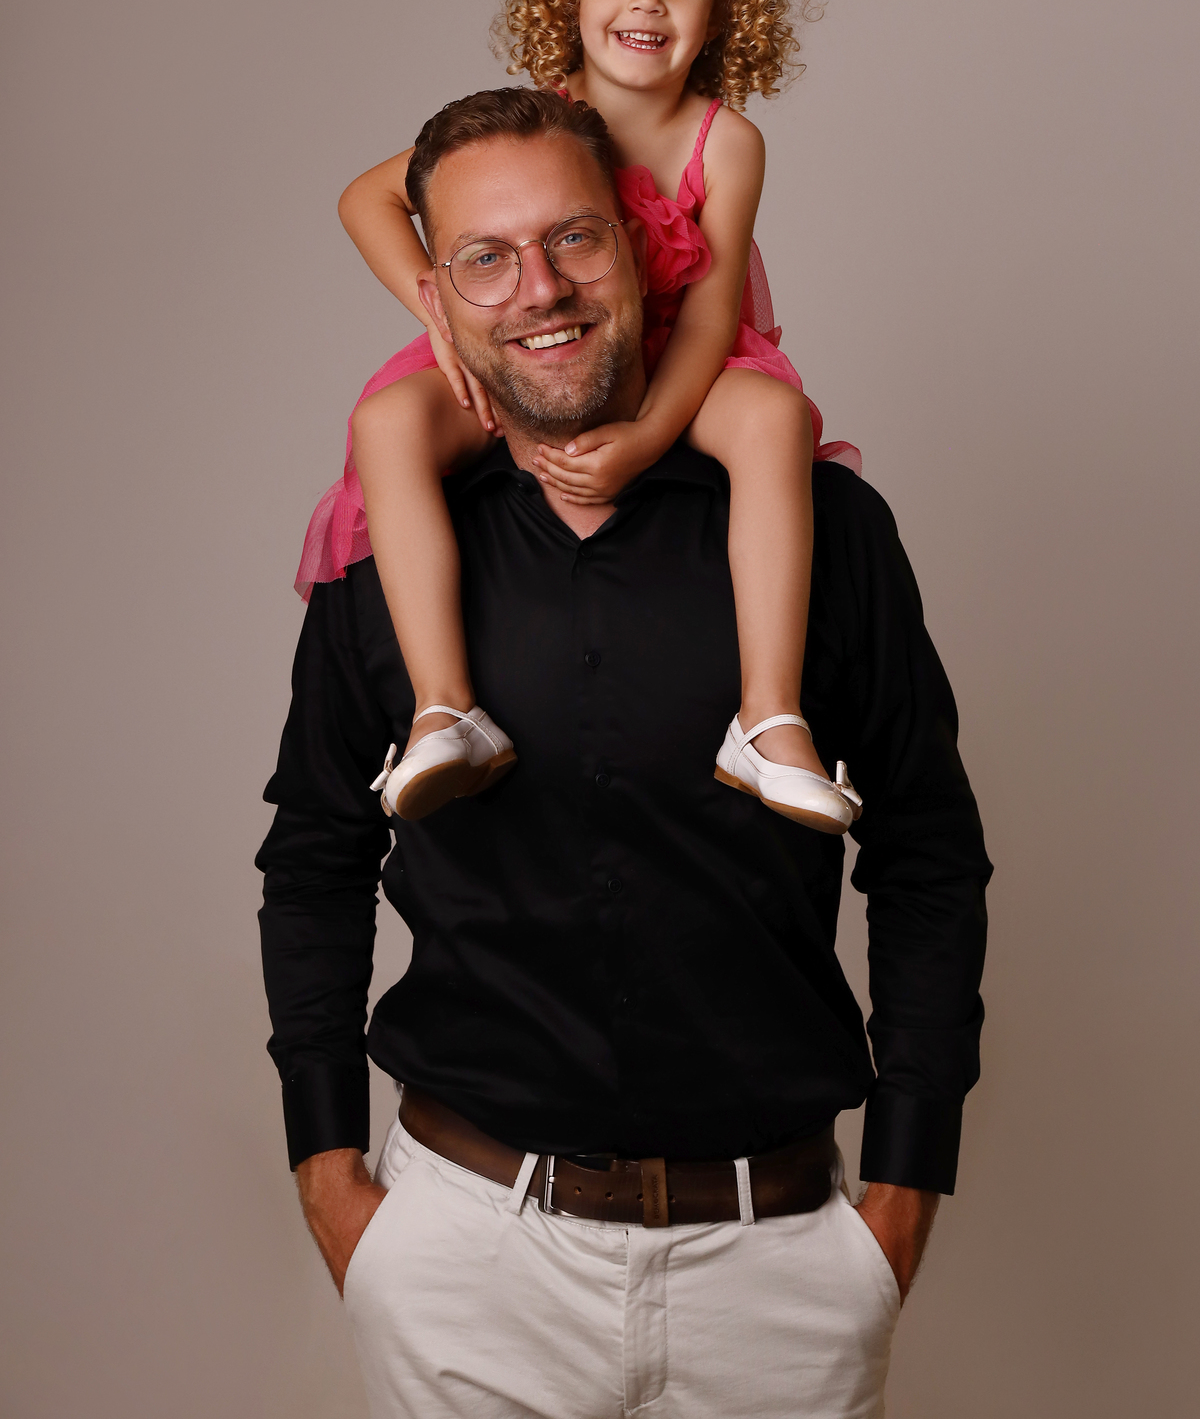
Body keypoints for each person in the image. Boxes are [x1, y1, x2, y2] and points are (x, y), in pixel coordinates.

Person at [258, 88, 991, 1419]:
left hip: (782, 1271)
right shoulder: (386, 549)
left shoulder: (823, 530)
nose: (540, 290)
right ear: (440, 293)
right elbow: (315, 851)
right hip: (464, 1263)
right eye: (486, 258)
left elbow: (929, 855)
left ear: (643, 245)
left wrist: (901, 1193)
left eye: (576, 240)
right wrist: (327, 1174)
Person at [295, 0, 863, 833]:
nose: (647, 2)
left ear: (724, 7)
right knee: (386, 424)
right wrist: (441, 314)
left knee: (776, 421)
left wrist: (646, 436)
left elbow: (713, 316)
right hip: (540, 348)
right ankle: (444, 710)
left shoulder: (726, 143)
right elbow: (364, 199)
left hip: (677, 358)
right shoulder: (540, 123)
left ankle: (770, 719)